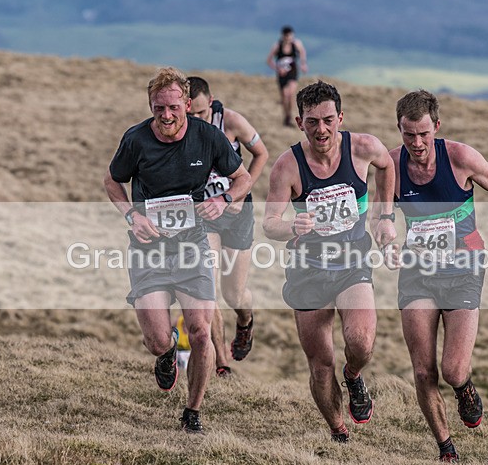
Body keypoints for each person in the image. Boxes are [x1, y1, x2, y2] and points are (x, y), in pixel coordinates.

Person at [103, 67, 252, 434]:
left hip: (192, 247)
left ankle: (192, 412)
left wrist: (225, 200)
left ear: (187, 103)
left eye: (173, 108)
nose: (166, 116)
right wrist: (131, 216)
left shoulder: (208, 137)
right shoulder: (136, 139)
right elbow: (112, 180)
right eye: (158, 109)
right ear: (151, 106)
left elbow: (243, 177)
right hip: (149, 250)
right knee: (155, 340)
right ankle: (167, 354)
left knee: (201, 331)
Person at [263, 80, 396, 443]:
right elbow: (269, 224)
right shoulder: (286, 167)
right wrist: (291, 225)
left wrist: (385, 216)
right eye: (311, 122)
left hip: (352, 262)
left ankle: (353, 376)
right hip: (308, 271)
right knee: (321, 366)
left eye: (327, 120)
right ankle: (339, 431)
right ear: (299, 123)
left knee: (361, 341)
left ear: (340, 117)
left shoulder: (363, 148)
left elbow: (386, 166)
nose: (320, 130)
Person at [387, 90, 488, 462]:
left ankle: (463, 388)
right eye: (409, 134)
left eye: (424, 134)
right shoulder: (391, 166)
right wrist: (386, 238)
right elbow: (376, 214)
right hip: (418, 275)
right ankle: (446, 447)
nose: (417, 143)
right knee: (424, 371)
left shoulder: (459, 157)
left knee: (453, 368)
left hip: (463, 271)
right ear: (400, 130)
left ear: (436, 127)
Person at [187, 76, 269, 377]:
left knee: (234, 293)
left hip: (237, 213)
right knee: (206, 285)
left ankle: (245, 321)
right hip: (203, 216)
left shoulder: (231, 121)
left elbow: (262, 153)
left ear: (211, 102)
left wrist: (243, 190)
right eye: (189, 113)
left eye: (200, 113)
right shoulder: (180, 128)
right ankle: (222, 362)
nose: (194, 119)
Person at [266, 25, 308, 127]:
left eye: (290, 36)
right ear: (283, 36)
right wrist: (278, 68)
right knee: (284, 95)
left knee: (291, 93)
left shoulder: (296, 44)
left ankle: (291, 116)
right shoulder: (277, 46)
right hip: (282, 73)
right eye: (286, 36)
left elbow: (302, 52)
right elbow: (269, 60)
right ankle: (286, 116)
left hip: (292, 71)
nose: (288, 38)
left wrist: (303, 64)